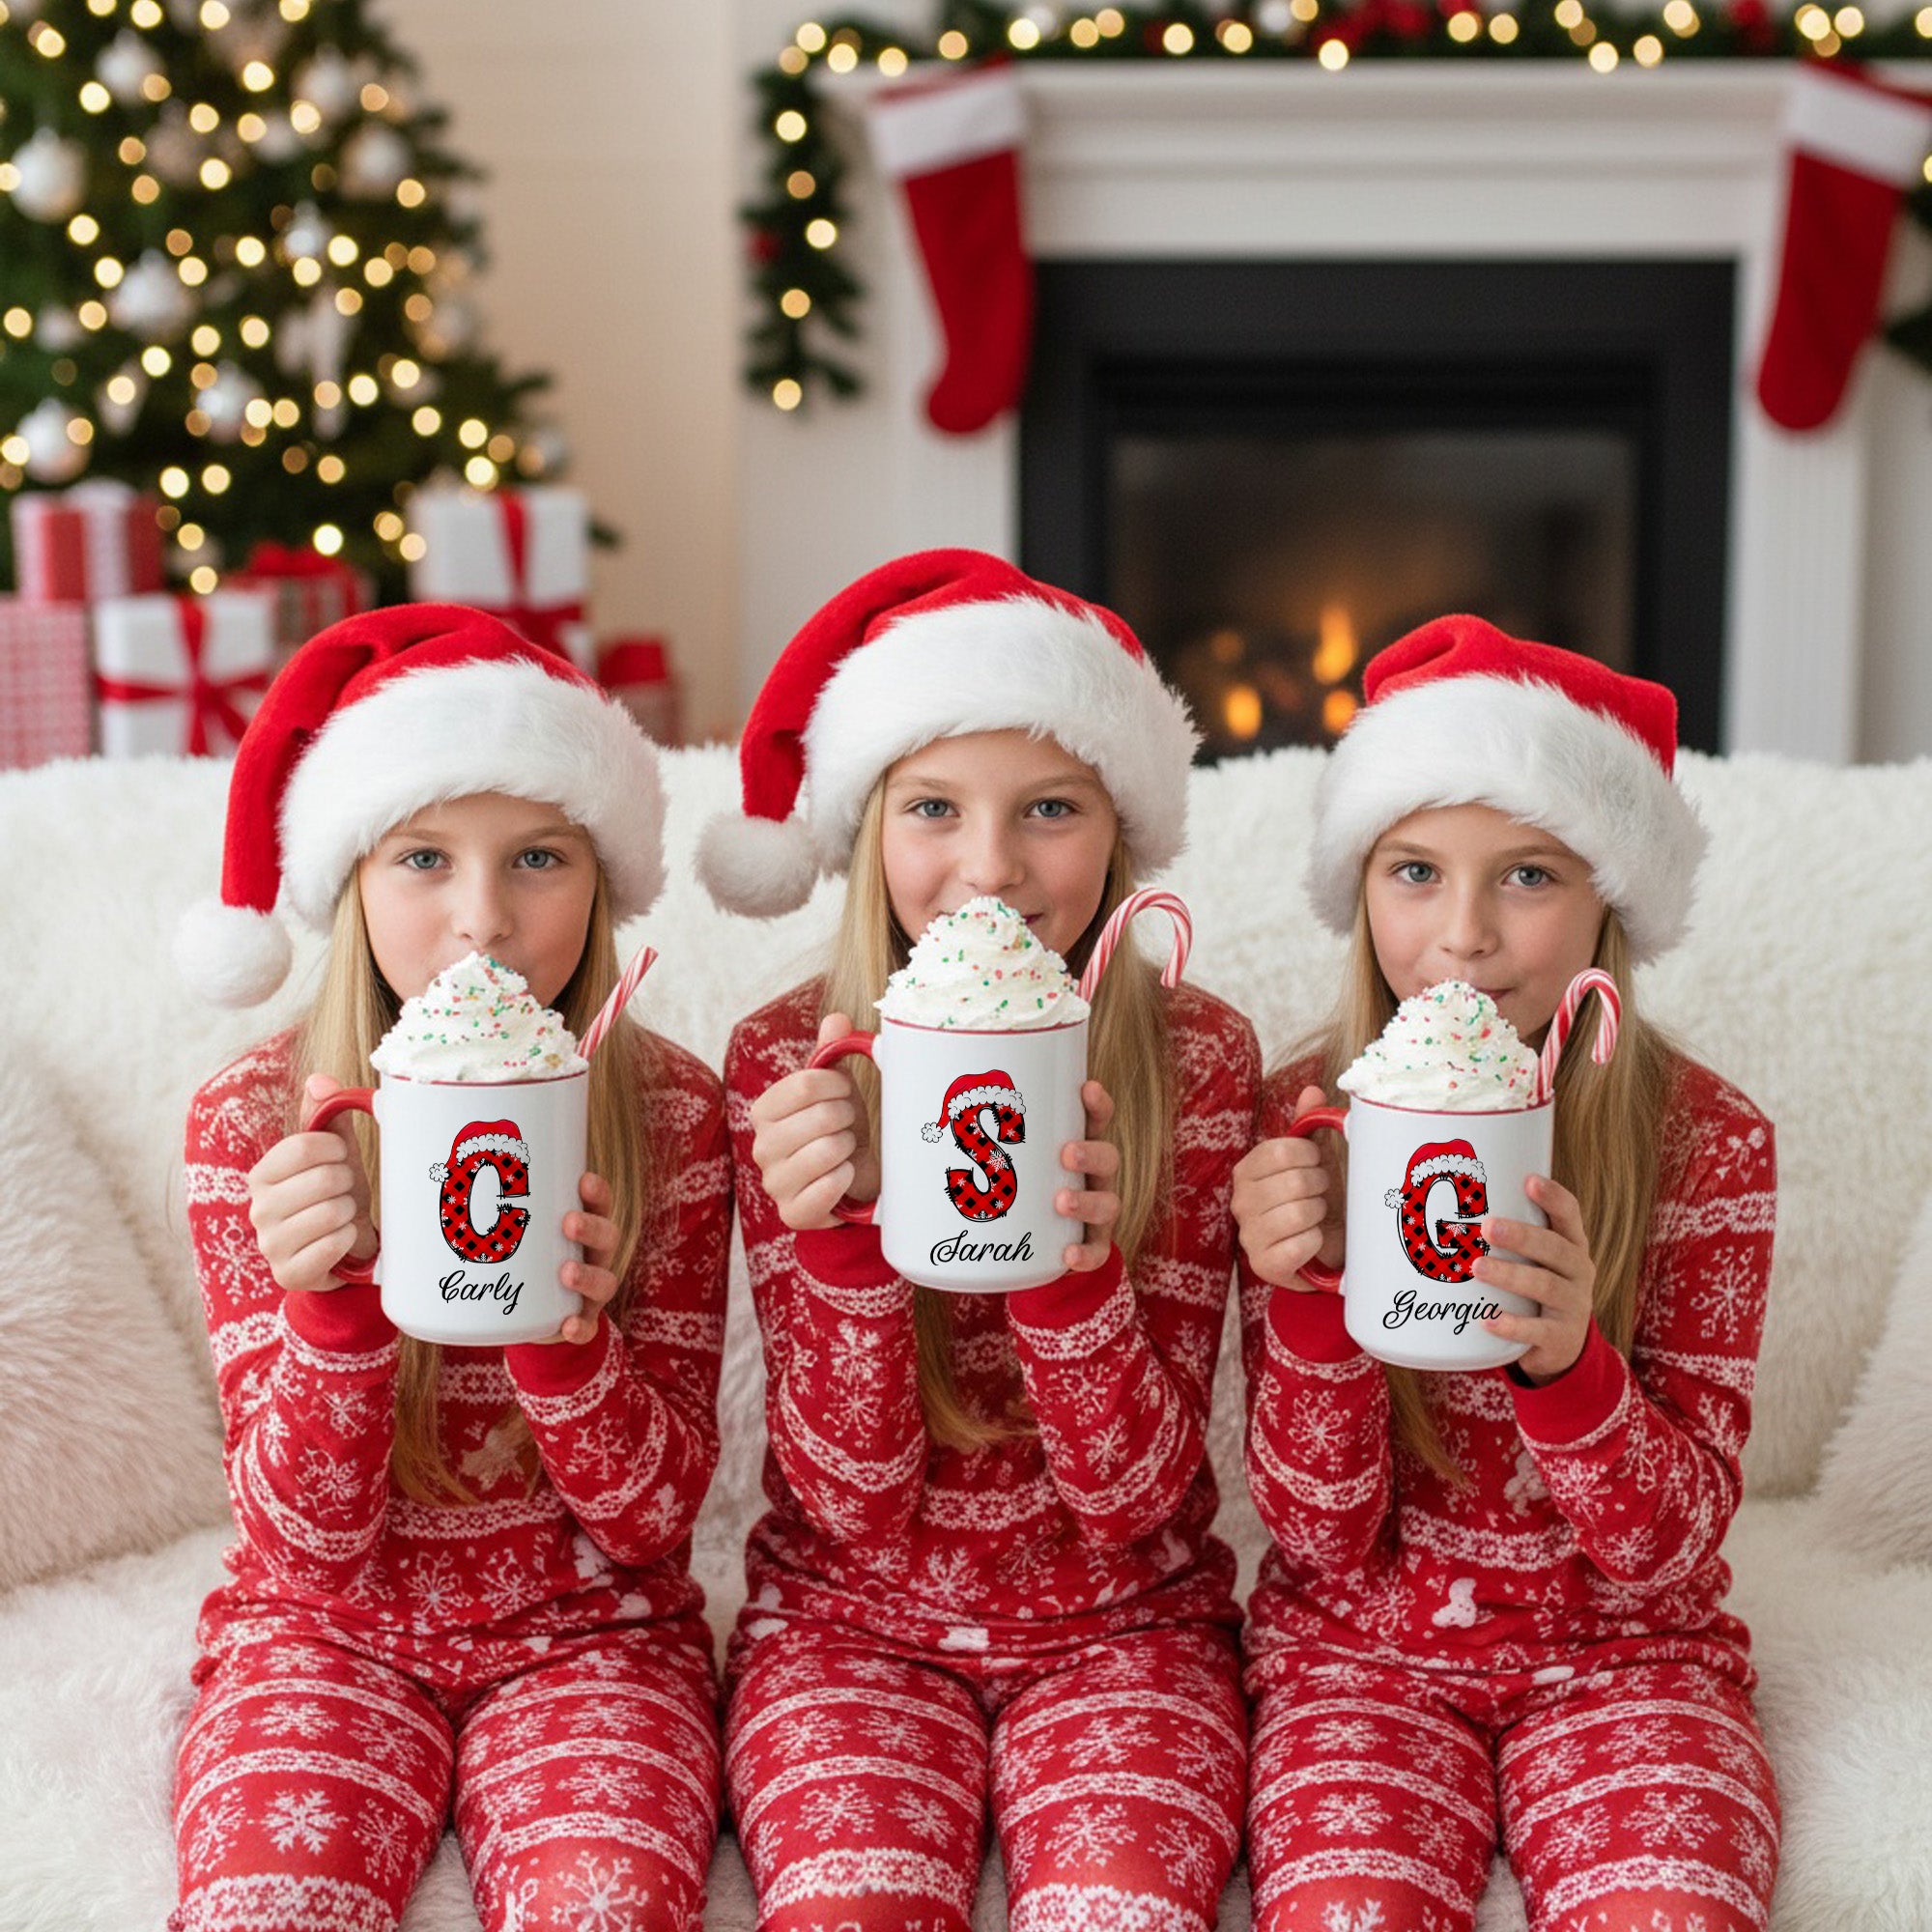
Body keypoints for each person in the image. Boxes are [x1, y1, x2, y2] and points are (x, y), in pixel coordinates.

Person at [697, 550, 1259, 1932]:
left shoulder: (1198, 1060)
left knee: (1124, 1904)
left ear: (1119, 835)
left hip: (1132, 1633)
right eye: (934, 808)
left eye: (1050, 810)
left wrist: (1078, 1279)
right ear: (869, 832)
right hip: (847, 1630)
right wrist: (835, 1251)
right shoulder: (785, 1061)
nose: (990, 867)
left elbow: (1135, 1501)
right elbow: (852, 1501)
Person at [168, 606, 729, 1932]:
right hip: (322, 1639)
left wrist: (567, 1339)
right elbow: (299, 1547)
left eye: (537, 857)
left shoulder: (667, 1116)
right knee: (265, 1901)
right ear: (351, 879)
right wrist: (333, 1319)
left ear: (601, 880)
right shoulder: (257, 1124)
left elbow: (655, 1525)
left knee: (610, 1904)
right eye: (425, 857)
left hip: (596, 1643)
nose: (483, 921)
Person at [1234, 616, 1779, 1932]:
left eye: (1529, 875)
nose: (1462, 937)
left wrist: (1567, 1364)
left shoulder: (1706, 1142)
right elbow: (1311, 1534)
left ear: (1611, 901)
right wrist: (1314, 1305)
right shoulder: (1299, 1123)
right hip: (1353, 1661)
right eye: (1414, 870)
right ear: (1361, 891)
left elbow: (1669, 1548)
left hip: (1630, 1663)